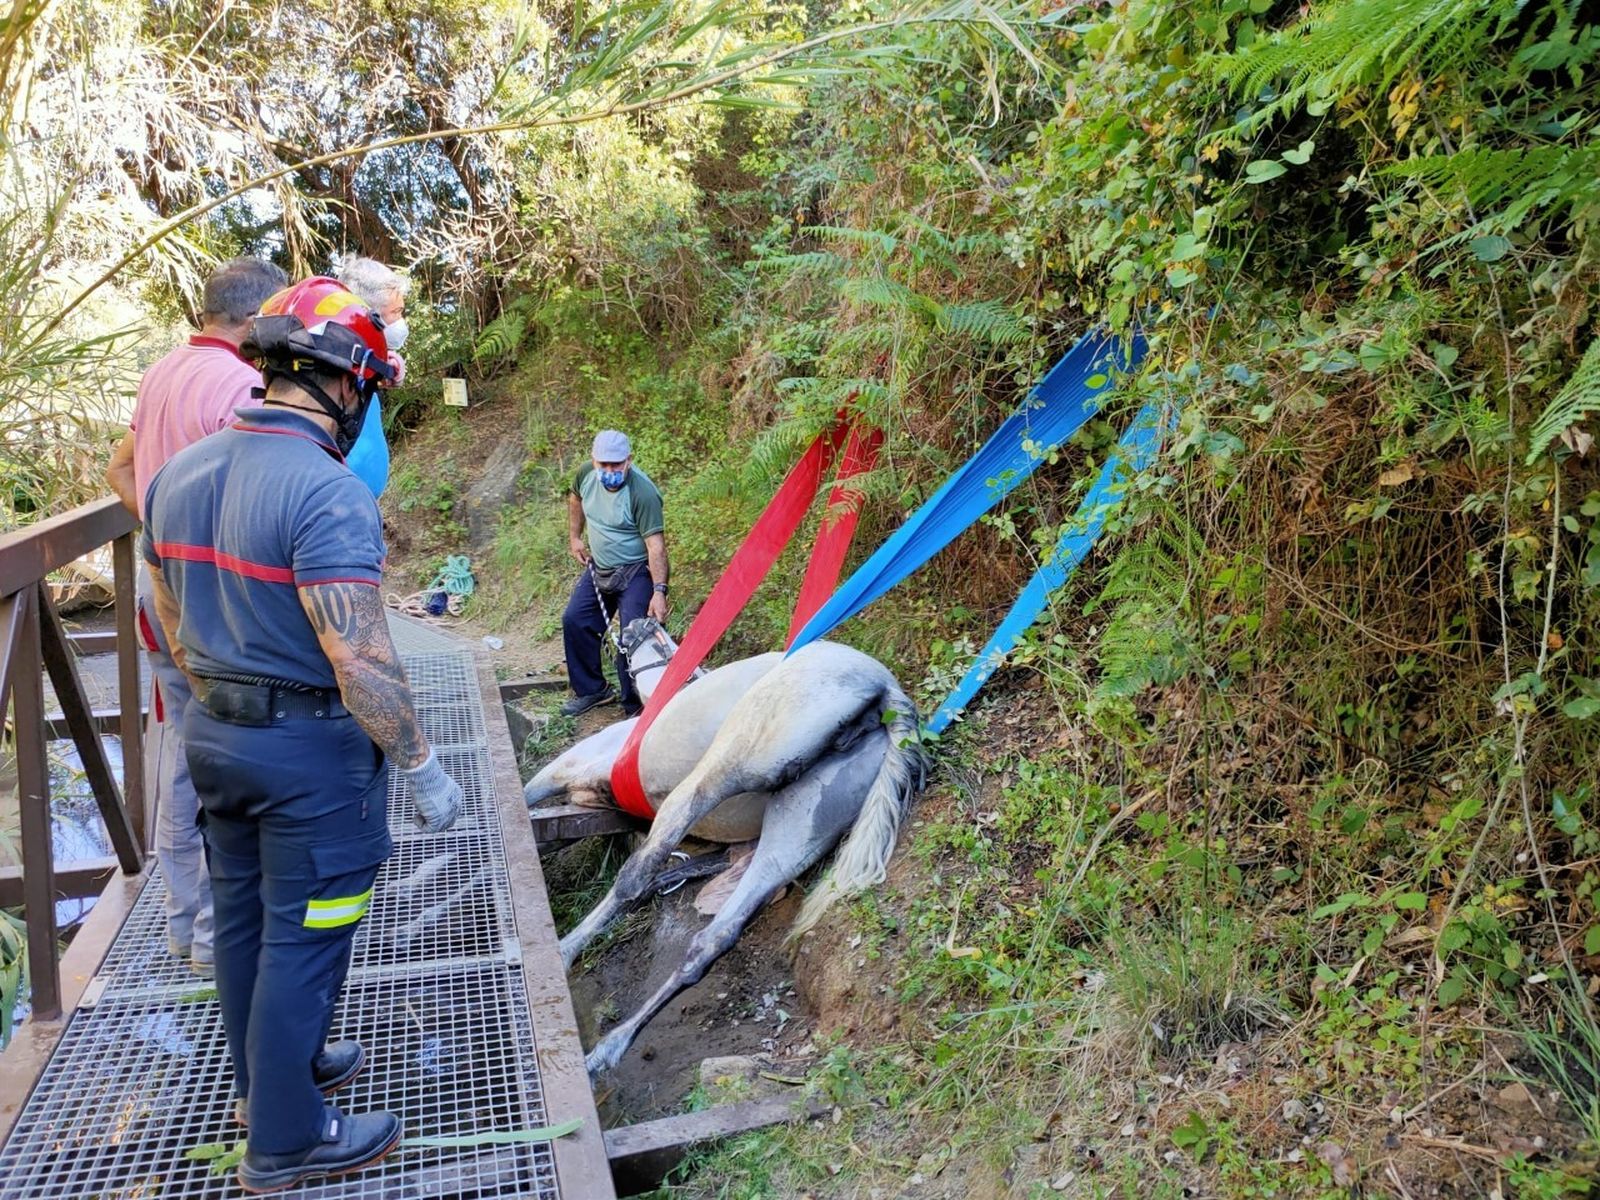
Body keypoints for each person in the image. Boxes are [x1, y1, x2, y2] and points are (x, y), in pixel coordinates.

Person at [140, 277, 463, 1193]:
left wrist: (223, 706)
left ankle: (263, 1084)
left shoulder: (179, 475)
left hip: (216, 742)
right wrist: (422, 766)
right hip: (309, 758)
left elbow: (167, 621)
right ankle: (287, 1139)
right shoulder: (326, 496)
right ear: (347, 384)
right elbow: (359, 661)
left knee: (243, 917)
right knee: (307, 936)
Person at [106, 256, 288, 977]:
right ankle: (226, 944)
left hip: (161, 596)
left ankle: (187, 928)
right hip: (219, 612)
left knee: (184, 762)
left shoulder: (162, 374)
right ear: (256, 319)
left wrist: (160, 531)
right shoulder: (241, 384)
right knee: (237, 765)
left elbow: (120, 469)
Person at [561, 430, 670, 717]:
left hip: (636, 571)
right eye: (603, 464)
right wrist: (575, 537)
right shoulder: (586, 475)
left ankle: (635, 707)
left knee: (633, 636)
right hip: (601, 566)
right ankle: (592, 690)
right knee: (575, 620)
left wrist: (659, 591)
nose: (609, 470)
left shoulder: (642, 493)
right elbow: (575, 499)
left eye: (616, 465)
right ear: (593, 461)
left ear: (629, 461)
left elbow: (655, 546)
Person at [333, 256, 410, 499]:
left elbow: (390, 363)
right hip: (339, 505)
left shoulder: (367, 360)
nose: (400, 322)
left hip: (360, 503)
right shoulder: (333, 362)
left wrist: (391, 363)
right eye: (395, 313)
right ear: (369, 315)